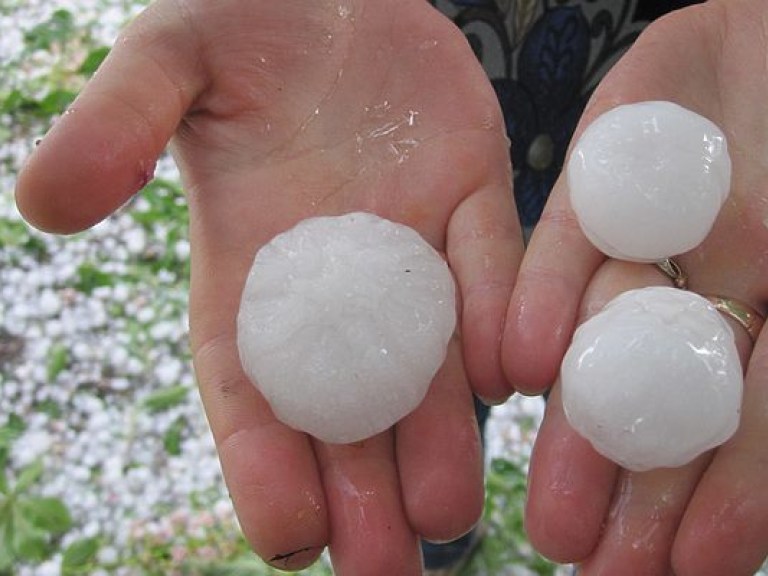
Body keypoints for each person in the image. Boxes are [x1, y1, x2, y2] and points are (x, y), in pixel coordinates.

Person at [14, 0, 768, 574]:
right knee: (475, 373)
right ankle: (446, 546)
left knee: (540, 332)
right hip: (398, 88)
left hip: (637, 54)